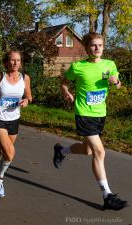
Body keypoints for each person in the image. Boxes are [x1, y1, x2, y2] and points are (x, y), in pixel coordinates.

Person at [53, 32, 127, 210]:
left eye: (100, 45)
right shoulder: (78, 67)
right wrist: (67, 93)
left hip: (100, 113)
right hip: (84, 113)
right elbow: (63, 82)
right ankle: (107, 195)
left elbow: (118, 85)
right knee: (99, 152)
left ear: (103, 47)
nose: (97, 48)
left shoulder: (110, 65)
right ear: (86, 48)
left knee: (87, 150)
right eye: (93, 45)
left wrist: (115, 82)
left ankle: (61, 151)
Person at [0, 50, 32, 197]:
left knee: (4, 151)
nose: (16, 63)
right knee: (10, 153)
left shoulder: (25, 78)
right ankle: (0, 178)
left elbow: (29, 95)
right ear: (6, 62)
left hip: (14, 119)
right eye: (13, 60)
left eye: (18, 60)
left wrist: (27, 100)